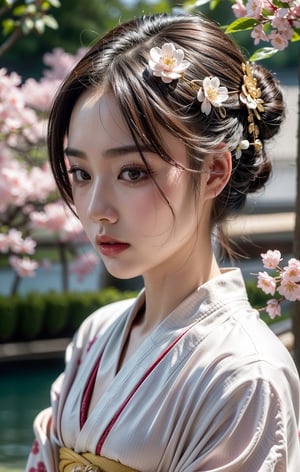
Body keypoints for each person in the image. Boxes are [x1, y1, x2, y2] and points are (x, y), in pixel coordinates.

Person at [26, 12, 300, 472]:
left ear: (213, 171)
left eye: (132, 172)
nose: (96, 208)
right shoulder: (96, 333)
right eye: (80, 173)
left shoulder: (245, 374)